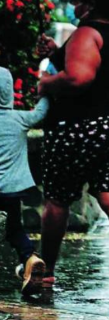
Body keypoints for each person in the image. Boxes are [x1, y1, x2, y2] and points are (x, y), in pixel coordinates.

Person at [37, 0, 109, 297]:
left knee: (58, 199)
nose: (73, 5)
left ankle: (46, 272)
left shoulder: (87, 32)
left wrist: (45, 83)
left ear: (90, 3)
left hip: (81, 126)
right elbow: (103, 71)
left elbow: (79, 77)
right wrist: (57, 52)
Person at [0, 67, 49, 297]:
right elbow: (41, 112)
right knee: (14, 229)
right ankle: (30, 259)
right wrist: (46, 90)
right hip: (12, 190)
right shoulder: (19, 119)